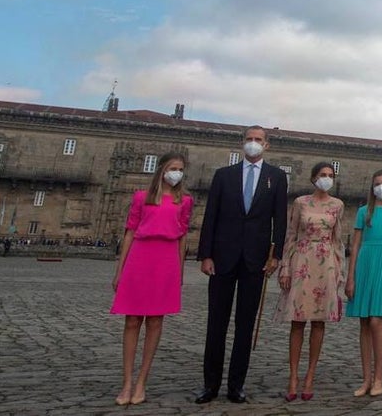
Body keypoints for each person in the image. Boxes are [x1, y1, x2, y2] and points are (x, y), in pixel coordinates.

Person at [195, 126, 288, 405]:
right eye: (249, 139)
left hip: (255, 260)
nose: (253, 143)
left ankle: (236, 385)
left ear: (267, 145)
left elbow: (279, 219)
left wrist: (276, 255)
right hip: (222, 257)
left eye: (258, 140)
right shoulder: (224, 175)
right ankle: (210, 384)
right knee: (216, 323)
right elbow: (211, 215)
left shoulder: (276, 177)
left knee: (245, 325)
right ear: (241, 142)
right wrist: (206, 254)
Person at [110, 152, 193, 406]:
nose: (176, 173)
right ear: (162, 170)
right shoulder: (141, 197)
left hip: (166, 260)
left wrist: (179, 271)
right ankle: (126, 382)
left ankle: (141, 381)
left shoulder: (185, 201)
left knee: (155, 321)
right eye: (173, 168)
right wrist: (120, 270)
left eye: (181, 169)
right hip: (139, 258)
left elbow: (182, 238)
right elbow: (129, 232)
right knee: (132, 321)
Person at [274, 162, 345, 401]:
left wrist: (340, 271)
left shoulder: (338, 205)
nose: (327, 178)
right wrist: (285, 267)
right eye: (323, 174)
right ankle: (293, 376)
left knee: (318, 322)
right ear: (314, 178)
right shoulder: (300, 203)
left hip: (326, 263)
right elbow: (291, 235)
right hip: (302, 260)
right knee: (297, 322)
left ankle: (310, 376)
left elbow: (337, 240)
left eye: (330, 175)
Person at [345, 170, 382, 397]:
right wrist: (350, 276)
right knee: (364, 322)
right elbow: (355, 245)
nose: (381, 187)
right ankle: (366, 379)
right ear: (372, 187)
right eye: (377, 183)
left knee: (376, 321)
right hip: (365, 263)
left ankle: (379, 377)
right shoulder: (363, 212)